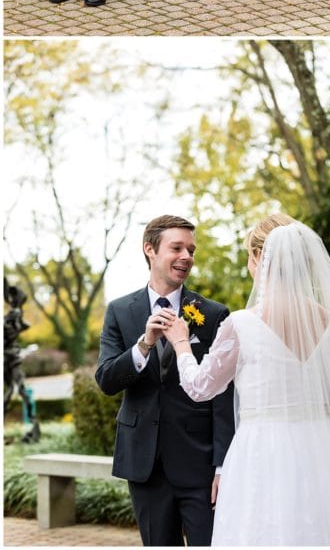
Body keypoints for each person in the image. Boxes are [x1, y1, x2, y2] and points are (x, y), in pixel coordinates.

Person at [166, 213, 330, 546]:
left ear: (261, 257)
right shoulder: (329, 322)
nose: (249, 263)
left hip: (263, 450)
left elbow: (201, 387)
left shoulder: (244, 323)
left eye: (250, 254)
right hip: (319, 447)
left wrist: (180, 344)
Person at [95, 215, 234, 546]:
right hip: (145, 464)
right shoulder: (120, 311)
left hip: (199, 464)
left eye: (191, 249)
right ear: (150, 250)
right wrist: (143, 345)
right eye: (177, 248)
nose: (187, 256)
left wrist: (221, 466)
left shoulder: (213, 314)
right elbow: (106, 380)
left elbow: (223, 397)